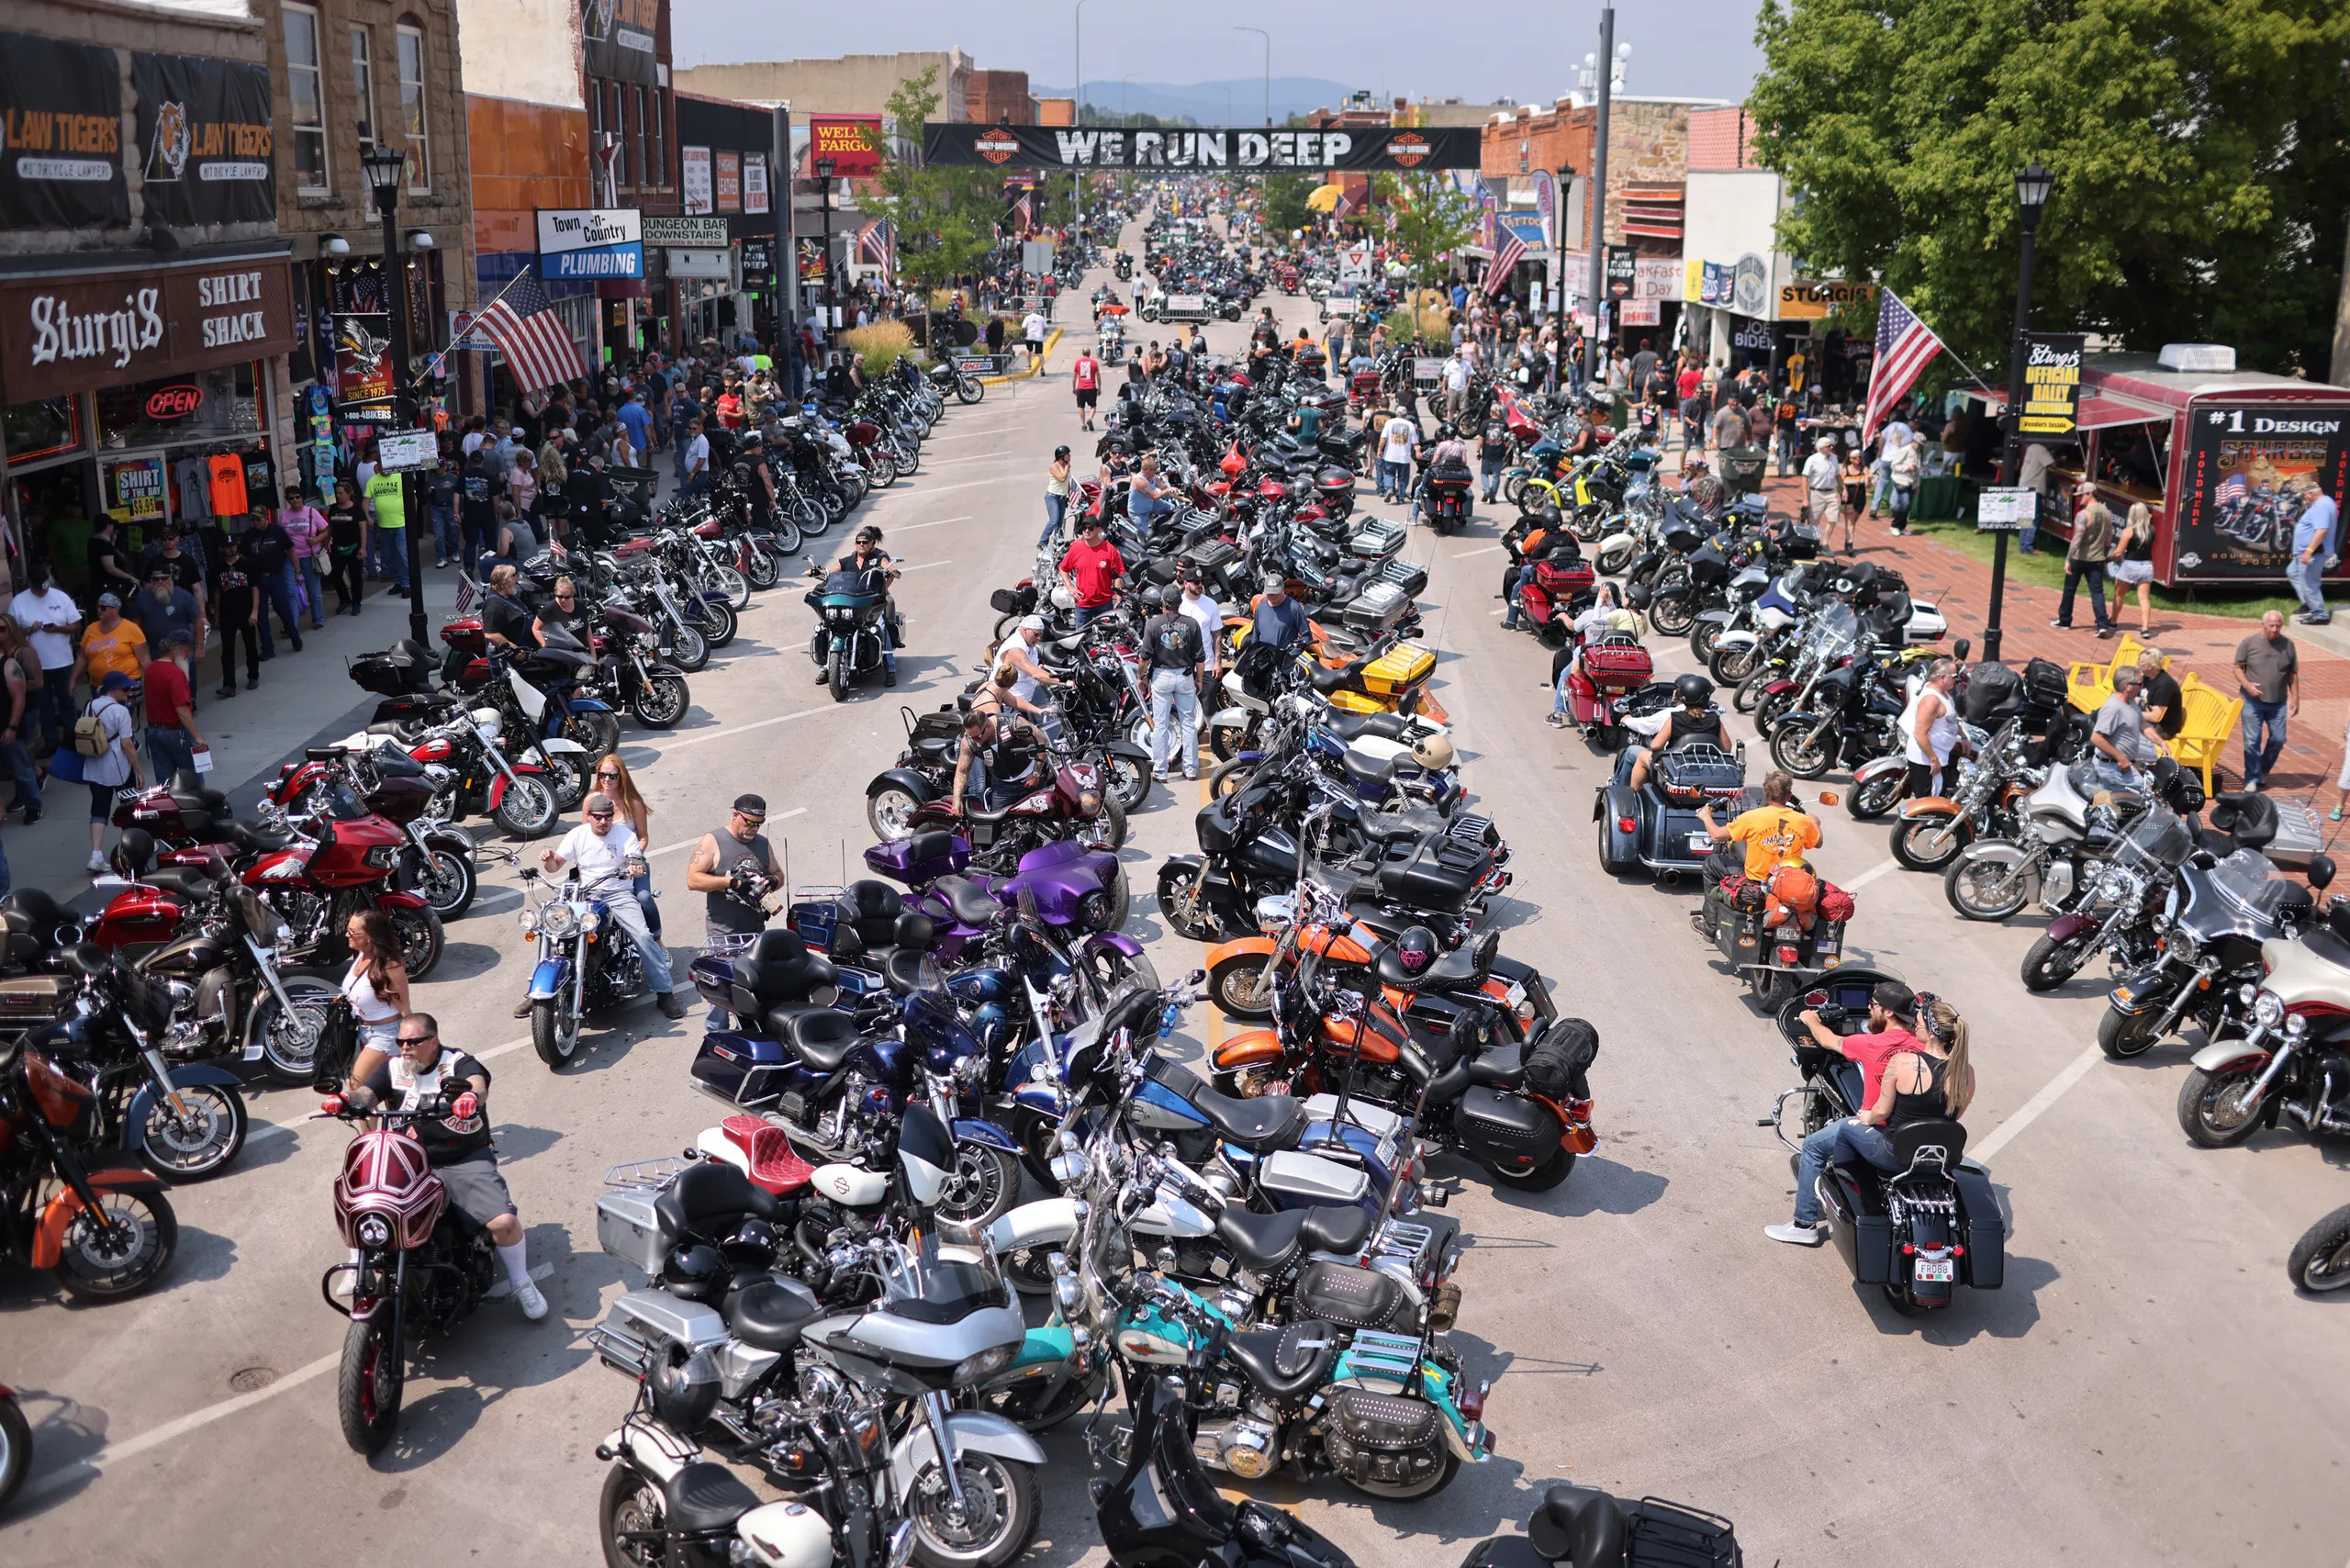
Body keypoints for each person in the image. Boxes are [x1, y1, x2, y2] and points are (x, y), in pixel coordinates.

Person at [344, 1014, 548, 1318]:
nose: (405, 1048)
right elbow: (367, 1093)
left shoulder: (457, 1063)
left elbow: (478, 1085)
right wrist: (348, 1101)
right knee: (365, 1198)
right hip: (409, 1159)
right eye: (401, 1041)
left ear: (433, 1041)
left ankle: (521, 1281)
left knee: (502, 1224)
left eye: (412, 1042)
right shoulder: (393, 1067)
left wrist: (469, 1096)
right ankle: (357, 1260)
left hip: (461, 1157)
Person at [1768, 991, 1973, 1247]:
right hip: (1941, 1155)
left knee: (1827, 1139)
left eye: (1918, 1023)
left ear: (1931, 1032)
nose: (1915, 1025)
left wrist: (1811, 1021)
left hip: (1894, 1150)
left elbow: (1881, 1112)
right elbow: (1952, 1117)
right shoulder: (1966, 1072)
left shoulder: (1902, 1061)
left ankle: (1806, 1222)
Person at [538, 791, 686, 1018]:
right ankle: (539, 993)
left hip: (618, 894)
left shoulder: (625, 835)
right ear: (588, 816)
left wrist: (635, 866)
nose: (603, 821)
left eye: (607, 816)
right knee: (552, 930)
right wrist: (549, 858)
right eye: (597, 816)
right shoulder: (577, 835)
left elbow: (636, 858)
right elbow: (555, 866)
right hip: (585, 895)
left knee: (643, 936)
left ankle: (665, 993)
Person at [686, 794, 781, 1025]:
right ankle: (716, 1043)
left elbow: (779, 873)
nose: (754, 828)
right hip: (724, 933)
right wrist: (730, 883)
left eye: (759, 824)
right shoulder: (713, 840)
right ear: (735, 815)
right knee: (721, 997)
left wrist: (772, 881)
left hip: (755, 932)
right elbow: (693, 880)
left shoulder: (761, 843)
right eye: (749, 822)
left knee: (754, 992)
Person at [1695, 767, 1822, 881]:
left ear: (1766, 793)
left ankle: (1711, 908)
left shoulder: (1750, 817)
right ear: (1788, 797)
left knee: (1711, 862)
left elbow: (1716, 835)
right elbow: (1818, 842)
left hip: (1755, 881)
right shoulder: (1803, 821)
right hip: (1787, 883)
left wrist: (1706, 817)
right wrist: (1815, 823)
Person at [73, 671, 144, 872]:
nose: (129, 691)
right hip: (118, 767)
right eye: (125, 688)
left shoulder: (90, 705)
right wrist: (139, 770)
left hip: (95, 766)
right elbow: (127, 745)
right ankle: (134, 847)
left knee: (99, 809)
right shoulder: (120, 711)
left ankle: (96, 855)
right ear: (113, 689)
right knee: (130, 807)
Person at [339, 908, 412, 1098]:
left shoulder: (390, 966)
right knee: (384, 1092)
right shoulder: (361, 957)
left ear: (370, 937)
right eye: (348, 929)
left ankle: (370, 1130)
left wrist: (411, 1043)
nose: (347, 935)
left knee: (356, 1087)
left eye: (353, 932)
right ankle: (382, 1129)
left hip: (386, 1034)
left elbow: (405, 1009)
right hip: (362, 1032)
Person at [11, 563, 81, 754]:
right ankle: (51, 742)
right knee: (44, 705)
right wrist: (28, 630)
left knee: (67, 701)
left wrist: (57, 629)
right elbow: (11, 632)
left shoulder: (61, 597)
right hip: (36, 665)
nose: (42, 592)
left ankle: (72, 738)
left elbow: (76, 625)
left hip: (63, 661)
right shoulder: (19, 602)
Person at [1142, 583, 1205, 782]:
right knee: (1188, 723)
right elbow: (1200, 658)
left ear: (1163, 602)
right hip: (1185, 675)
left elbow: (1144, 657)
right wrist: (1200, 679)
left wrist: (1140, 677)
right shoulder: (1191, 624)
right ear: (1180, 602)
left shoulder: (1152, 624)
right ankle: (1191, 769)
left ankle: (1160, 772)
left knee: (1160, 725)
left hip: (1162, 676)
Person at [1627, 674, 1728, 793]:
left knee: (1641, 756)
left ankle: (1632, 795)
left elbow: (1655, 745)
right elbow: (1727, 747)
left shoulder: (1675, 718)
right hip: (1707, 768)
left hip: (1675, 768)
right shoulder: (1714, 718)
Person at [2234, 610, 2298, 791]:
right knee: (2252, 740)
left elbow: (2292, 673)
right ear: (2263, 624)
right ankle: (2252, 778)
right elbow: (2238, 668)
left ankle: (2263, 770)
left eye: (2278, 626)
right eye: (2271, 625)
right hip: (2252, 701)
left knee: (2278, 739)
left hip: (2278, 702)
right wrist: (2247, 685)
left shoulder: (2288, 645)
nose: (2275, 629)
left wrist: (2296, 699)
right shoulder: (2249, 643)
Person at [141, 633, 206, 782]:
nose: (188, 655)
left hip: (153, 731)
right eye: (187, 650)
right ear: (176, 649)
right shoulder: (176, 674)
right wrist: (197, 736)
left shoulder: (151, 669)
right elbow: (182, 709)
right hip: (175, 733)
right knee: (192, 781)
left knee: (164, 783)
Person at [2087, 664, 2160, 792]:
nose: (2143, 686)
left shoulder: (2131, 702)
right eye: (2140, 683)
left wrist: (2160, 742)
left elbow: (2141, 723)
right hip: (2110, 769)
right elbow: (2096, 738)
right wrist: (2121, 758)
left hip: (2123, 767)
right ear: (2127, 686)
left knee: (2144, 796)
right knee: (2141, 799)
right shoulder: (2114, 708)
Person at [1898, 658, 1962, 797]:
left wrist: (1963, 736)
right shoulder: (1931, 700)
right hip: (1928, 761)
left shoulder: (1943, 693)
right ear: (1942, 677)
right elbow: (1920, 734)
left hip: (1939, 756)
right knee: (1931, 803)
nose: (1956, 680)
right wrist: (1933, 760)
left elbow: (1951, 718)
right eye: (1954, 676)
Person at [0, 620, 43, 821]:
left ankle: (33, 805)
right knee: (15, 765)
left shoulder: (16, 658)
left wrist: (12, 726)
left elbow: (23, 696)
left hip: (19, 717)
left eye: (2, 629)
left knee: (21, 765)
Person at [210, 534, 262, 698]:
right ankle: (229, 685)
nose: (231, 549)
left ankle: (253, 676)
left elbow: (255, 588)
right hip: (227, 612)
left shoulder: (247, 564)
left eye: (234, 545)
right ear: (221, 548)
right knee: (227, 650)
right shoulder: (218, 567)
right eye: (228, 546)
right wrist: (216, 614)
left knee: (250, 645)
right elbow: (217, 591)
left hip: (246, 611)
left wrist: (254, 611)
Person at [73, 593, 147, 703]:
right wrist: (73, 680)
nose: (99, 610)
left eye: (103, 607)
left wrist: (153, 682)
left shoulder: (132, 629)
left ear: (115, 609)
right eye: (97, 607)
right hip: (98, 686)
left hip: (124, 686)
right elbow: (82, 657)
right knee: (102, 717)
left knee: (122, 717)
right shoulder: (91, 629)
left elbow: (144, 659)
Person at [1058, 518, 1125, 630]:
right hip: (1082, 606)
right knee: (1081, 639)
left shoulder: (1110, 550)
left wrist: (1119, 598)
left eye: (1090, 528)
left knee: (1107, 640)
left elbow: (1118, 575)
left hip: (1105, 605)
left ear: (1098, 530)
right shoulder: (1076, 550)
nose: (1087, 531)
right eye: (1084, 528)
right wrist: (1070, 587)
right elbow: (1063, 568)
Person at [2286, 476, 2334, 626]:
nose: (2304, 499)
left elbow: (2321, 531)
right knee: (2293, 572)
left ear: (2311, 493)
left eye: (2304, 495)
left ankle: (2319, 614)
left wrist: (2309, 551)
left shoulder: (2322, 506)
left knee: (2309, 583)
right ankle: (2309, 604)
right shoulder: (2323, 504)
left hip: (2313, 553)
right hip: (2307, 552)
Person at [284, 486, 331, 630]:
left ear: (302, 498)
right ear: (287, 500)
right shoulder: (284, 515)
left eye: (297, 497)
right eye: (291, 498)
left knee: (314, 591)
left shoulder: (311, 512)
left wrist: (316, 540)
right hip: (291, 559)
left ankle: (318, 619)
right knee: (291, 592)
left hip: (310, 556)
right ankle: (292, 624)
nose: (295, 500)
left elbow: (325, 531)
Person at [2108, 500, 2156, 635]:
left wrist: (2106, 560)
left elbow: (2118, 552)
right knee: (2144, 599)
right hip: (2147, 565)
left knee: (2119, 594)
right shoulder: (2152, 530)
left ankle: (2113, 622)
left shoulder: (2128, 531)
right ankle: (2145, 628)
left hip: (2130, 565)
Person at [363, 465, 411, 598]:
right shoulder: (373, 481)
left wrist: (412, 518)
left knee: (402, 553)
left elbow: (412, 497)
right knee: (389, 555)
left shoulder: (400, 477)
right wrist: (366, 515)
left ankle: (407, 584)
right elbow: (366, 500)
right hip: (384, 525)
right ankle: (397, 582)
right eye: (381, 466)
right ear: (378, 467)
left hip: (400, 523)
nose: (384, 469)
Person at [480, 563, 539, 654]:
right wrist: (514, 650)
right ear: (503, 583)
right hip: (510, 659)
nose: (516, 580)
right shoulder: (494, 605)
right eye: (513, 576)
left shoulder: (508, 595)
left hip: (529, 649)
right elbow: (491, 634)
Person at [1179, 570, 1224, 679]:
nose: (1200, 585)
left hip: (1206, 666)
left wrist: (1217, 662)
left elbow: (1217, 634)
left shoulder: (1211, 604)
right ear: (1186, 584)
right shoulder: (1178, 604)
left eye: (1201, 581)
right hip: (1182, 666)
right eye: (1196, 582)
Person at [1250, 573, 1311, 652]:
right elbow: (1256, 637)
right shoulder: (1260, 608)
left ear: (1283, 590)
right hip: (1265, 660)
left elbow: (1307, 637)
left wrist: (1291, 655)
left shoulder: (1294, 608)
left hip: (1285, 660)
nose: (1272, 596)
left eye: (1275, 593)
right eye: (1269, 593)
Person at [1126, 454, 1173, 532]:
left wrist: (1181, 498)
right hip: (1139, 513)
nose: (1156, 471)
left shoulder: (1153, 477)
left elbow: (1164, 488)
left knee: (1172, 508)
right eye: (1155, 469)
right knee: (1143, 536)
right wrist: (1168, 491)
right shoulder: (1139, 481)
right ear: (1148, 470)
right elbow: (1155, 496)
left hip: (1151, 504)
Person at [1378, 409, 1416, 503]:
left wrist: (1379, 449)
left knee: (1389, 473)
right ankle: (1401, 497)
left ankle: (1389, 488)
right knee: (1403, 477)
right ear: (1406, 415)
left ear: (1396, 414)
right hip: (1404, 456)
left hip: (1390, 455)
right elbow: (1415, 442)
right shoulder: (1410, 424)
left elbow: (1383, 438)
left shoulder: (1389, 422)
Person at [1039, 447, 1073, 552]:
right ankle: (1043, 542)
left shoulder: (1066, 466)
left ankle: (1058, 542)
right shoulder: (1054, 466)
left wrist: (1068, 495)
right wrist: (1067, 468)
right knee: (1054, 520)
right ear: (1062, 456)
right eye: (1068, 454)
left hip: (1062, 497)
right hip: (1052, 496)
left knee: (1060, 522)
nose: (1070, 456)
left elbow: (1067, 483)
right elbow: (1062, 478)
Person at [1071, 347, 1102, 431]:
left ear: (1082, 353)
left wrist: (1074, 388)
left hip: (1080, 387)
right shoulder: (1094, 363)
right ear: (1089, 353)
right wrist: (1099, 387)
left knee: (1081, 407)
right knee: (1093, 406)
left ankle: (1083, 425)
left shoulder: (1077, 363)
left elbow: (1074, 376)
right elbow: (1098, 376)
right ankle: (1090, 419)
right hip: (1091, 387)